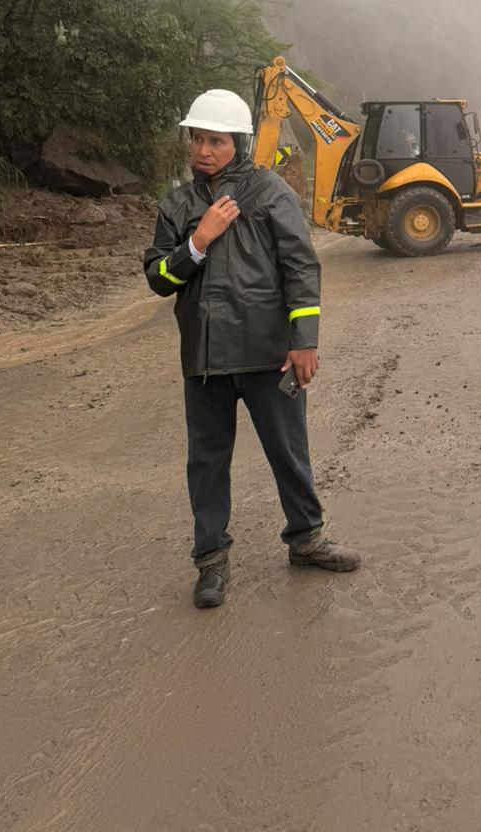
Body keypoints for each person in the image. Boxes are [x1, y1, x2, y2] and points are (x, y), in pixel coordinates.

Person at [144, 88, 360, 609]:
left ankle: (306, 539)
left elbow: (301, 266)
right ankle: (211, 562)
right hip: (206, 362)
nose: (203, 150)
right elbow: (159, 278)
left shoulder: (269, 192)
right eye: (197, 139)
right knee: (207, 463)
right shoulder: (177, 205)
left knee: (289, 452)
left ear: (237, 142)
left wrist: (304, 341)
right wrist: (198, 241)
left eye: (215, 140)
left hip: (269, 355)